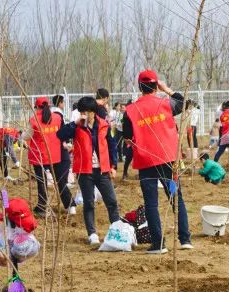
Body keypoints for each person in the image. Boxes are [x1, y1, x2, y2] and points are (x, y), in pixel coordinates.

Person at [122, 69, 192, 254]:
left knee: (151, 204)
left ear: (139, 87)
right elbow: (186, 103)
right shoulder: (166, 103)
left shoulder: (130, 110)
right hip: (168, 161)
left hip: (145, 162)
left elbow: (127, 137)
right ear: (156, 85)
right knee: (176, 198)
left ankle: (159, 244)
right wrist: (166, 89)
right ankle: (185, 239)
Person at [58, 96, 121, 245]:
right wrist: (75, 123)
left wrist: (113, 166)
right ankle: (92, 233)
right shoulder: (77, 127)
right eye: (82, 112)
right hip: (84, 171)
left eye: (87, 112)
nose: (85, 114)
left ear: (93, 112)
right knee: (89, 202)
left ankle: (116, 230)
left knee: (111, 201)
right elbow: (60, 135)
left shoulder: (104, 125)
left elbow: (112, 146)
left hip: (103, 170)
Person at [25, 97, 73, 217]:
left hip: (39, 156)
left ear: (36, 107)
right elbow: (62, 133)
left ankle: (42, 207)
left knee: (42, 182)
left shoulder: (34, 120)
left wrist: (21, 136)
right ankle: (70, 205)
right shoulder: (57, 118)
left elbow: (27, 136)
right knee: (60, 181)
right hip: (55, 155)